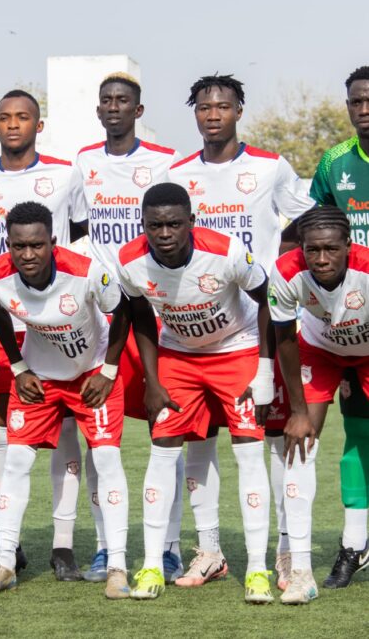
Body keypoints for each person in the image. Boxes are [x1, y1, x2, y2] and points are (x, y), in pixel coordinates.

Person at [168, 73, 314, 590]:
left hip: (259, 328)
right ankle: (209, 550)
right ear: (195, 114)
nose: (213, 115)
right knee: (199, 440)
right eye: (204, 107)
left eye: (223, 107)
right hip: (197, 330)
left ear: (238, 112)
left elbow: (309, 218)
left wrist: (278, 263)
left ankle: (283, 550)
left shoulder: (270, 167)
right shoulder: (177, 173)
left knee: (271, 440)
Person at [0, 89, 88, 580]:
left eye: (22, 117)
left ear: (37, 125)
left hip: (55, 321)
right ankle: (11, 545)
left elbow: (80, 239)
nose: (13, 124)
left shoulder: (66, 174)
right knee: (2, 434)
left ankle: (63, 545)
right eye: (4, 117)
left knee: (64, 430)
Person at [116, 182, 275, 603]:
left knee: (248, 451)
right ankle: (152, 564)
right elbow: (140, 316)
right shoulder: (130, 261)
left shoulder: (226, 251)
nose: (164, 234)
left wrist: (264, 370)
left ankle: (257, 569)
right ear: (143, 225)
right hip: (178, 355)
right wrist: (152, 380)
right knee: (163, 450)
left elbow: (269, 300)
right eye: (154, 226)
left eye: (174, 224)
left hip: (237, 349)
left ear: (191, 221)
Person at [0, 202, 130, 600]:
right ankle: (5, 562)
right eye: (18, 246)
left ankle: (117, 566)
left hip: (93, 374)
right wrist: (18, 366)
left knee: (106, 460)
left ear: (53, 243)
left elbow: (124, 311)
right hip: (39, 377)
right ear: (8, 245)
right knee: (16, 461)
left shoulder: (87, 272)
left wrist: (109, 371)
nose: (27, 255)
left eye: (37, 245)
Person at [70, 72, 186, 583]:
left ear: (139, 110)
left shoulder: (164, 161)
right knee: (100, 440)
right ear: (98, 110)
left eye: (123, 101)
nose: (113, 107)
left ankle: (170, 547)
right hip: (101, 318)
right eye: (106, 101)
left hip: (154, 315)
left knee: (167, 431)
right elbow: (77, 231)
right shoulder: (82, 162)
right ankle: (103, 545)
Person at [268, 205, 369, 603]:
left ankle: (358, 542)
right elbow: (284, 337)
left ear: (349, 246)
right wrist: (297, 410)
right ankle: (301, 573)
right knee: (299, 443)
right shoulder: (286, 270)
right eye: (312, 250)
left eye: (331, 249)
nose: (322, 259)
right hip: (319, 349)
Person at [309, 66, 369, 588]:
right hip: (348, 321)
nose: (363, 109)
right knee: (358, 432)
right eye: (356, 101)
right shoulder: (334, 162)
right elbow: (317, 233)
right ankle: (355, 542)